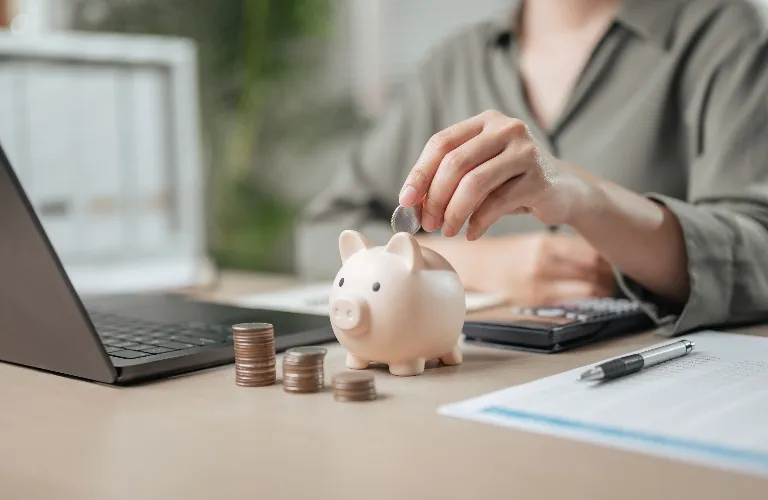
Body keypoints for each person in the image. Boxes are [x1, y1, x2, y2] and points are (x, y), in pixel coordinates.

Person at [295, 0, 768, 334]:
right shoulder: (452, 64)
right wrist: (472, 264)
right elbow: (323, 231)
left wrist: (588, 199)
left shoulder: (722, 33)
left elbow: (758, 255)